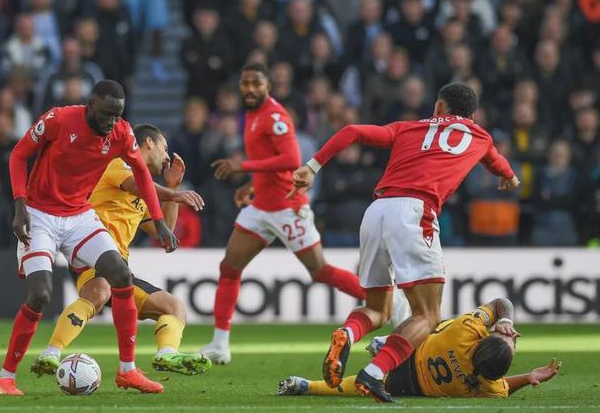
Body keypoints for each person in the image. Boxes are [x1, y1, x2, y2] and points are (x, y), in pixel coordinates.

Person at [289, 83, 520, 402]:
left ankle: (348, 333)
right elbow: (497, 162)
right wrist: (510, 177)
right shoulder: (480, 137)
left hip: (377, 210)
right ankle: (374, 372)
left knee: (377, 308)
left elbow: (352, 131)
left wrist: (312, 166)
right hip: (415, 213)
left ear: (439, 107)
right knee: (427, 316)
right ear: (472, 115)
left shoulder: (407, 128)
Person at [0, 80, 179, 396]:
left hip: (78, 215)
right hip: (39, 214)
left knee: (120, 274)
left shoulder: (121, 133)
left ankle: (128, 370)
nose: (111, 122)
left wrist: (159, 222)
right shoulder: (59, 119)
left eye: (117, 115)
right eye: (106, 114)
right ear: (91, 105)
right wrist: (19, 205)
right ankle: (6, 377)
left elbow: (142, 174)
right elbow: (18, 155)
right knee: (40, 295)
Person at [200, 63, 366, 365]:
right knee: (230, 267)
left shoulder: (275, 117)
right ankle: (220, 344)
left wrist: (242, 167)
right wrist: (252, 185)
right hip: (261, 207)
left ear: (268, 86)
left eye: (257, 83)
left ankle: (386, 299)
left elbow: (291, 159)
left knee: (320, 272)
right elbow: (270, 161)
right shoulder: (251, 115)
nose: (250, 89)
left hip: (288, 208)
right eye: (246, 83)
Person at [31, 123, 209, 378]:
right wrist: (173, 194)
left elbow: (165, 232)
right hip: (92, 250)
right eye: (164, 148)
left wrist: (174, 187)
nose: (167, 157)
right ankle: (50, 353)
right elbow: (137, 186)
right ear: (149, 143)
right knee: (99, 291)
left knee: (174, 307)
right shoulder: (118, 163)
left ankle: (166, 353)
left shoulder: (145, 191)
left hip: (119, 267)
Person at [278, 298, 561, 399]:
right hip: (406, 386)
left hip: (411, 351)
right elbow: (503, 387)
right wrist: (527, 377)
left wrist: (505, 320)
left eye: (511, 339)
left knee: (427, 320)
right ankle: (306, 386)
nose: (514, 336)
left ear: (484, 339)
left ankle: (387, 343)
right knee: (360, 385)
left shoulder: (467, 331)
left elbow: (501, 303)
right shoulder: (488, 387)